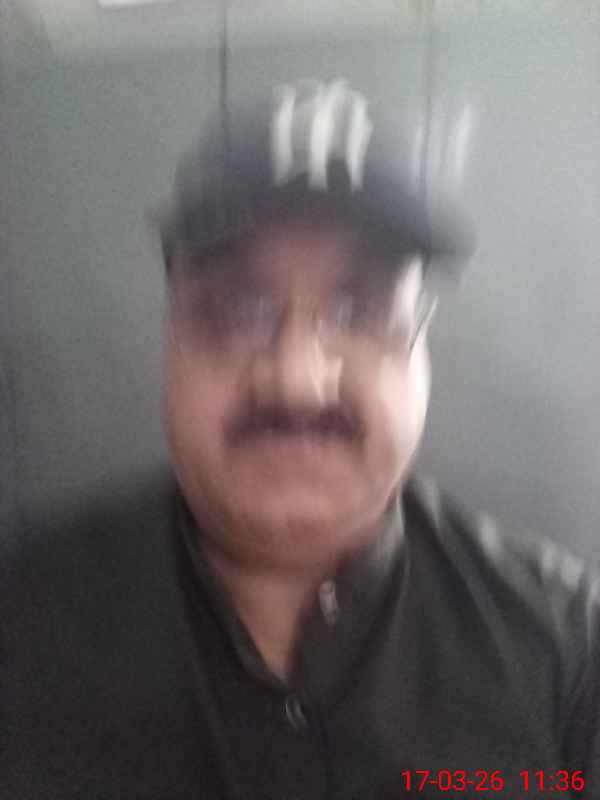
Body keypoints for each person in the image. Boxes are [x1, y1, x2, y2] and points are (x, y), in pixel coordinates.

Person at [3, 78, 599, 799]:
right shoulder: (22, 619)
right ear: (171, 346)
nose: (297, 381)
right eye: (235, 312)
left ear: (423, 351)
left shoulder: (565, 646)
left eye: (360, 310)